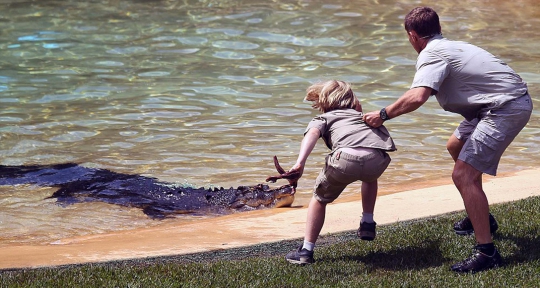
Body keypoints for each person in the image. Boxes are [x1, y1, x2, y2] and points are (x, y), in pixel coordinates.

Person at [363, 7, 533, 273]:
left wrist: (382, 115)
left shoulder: (431, 53)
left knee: (463, 175)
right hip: (495, 104)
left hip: (504, 108)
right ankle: (482, 217)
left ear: (412, 35)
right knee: (455, 146)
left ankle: (487, 253)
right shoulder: (451, 46)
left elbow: (417, 96)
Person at [283, 80, 396, 265]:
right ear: (352, 99)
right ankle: (367, 222)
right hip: (377, 158)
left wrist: (300, 163)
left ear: (324, 103)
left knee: (319, 199)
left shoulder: (324, 119)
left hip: (345, 160)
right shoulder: (363, 116)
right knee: (370, 177)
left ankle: (306, 251)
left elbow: (312, 135)